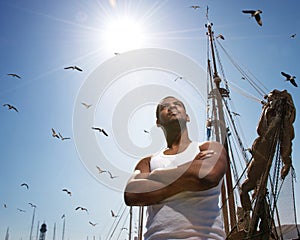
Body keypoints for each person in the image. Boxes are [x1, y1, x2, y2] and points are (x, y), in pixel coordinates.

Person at [124, 96, 227, 240]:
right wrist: (190, 172)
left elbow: (207, 175)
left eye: (177, 104)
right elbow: (132, 194)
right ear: (158, 122)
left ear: (187, 117)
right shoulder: (148, 161)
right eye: (165, 106)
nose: (172, 107)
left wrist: (156, 176)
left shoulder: (209, 147)